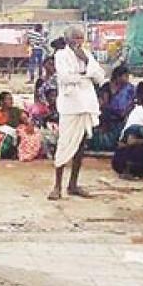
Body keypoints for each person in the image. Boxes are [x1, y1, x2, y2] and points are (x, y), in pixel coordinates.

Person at [52, 25, 105, 200]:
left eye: (81, 38)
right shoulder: (61, 55)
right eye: (76, 38)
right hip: (70, 107)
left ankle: (73, 184)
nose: (79, 42)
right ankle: (57, 186)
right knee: (64, 144)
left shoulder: (87, 55)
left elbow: (100, 76)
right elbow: (65, 78)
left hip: (87, 105)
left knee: (81, 146)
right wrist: (85, 75)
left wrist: (86, 65)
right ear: (68, 39)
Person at [113, 92, 143, 179]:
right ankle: (127, 171)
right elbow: (131, 142)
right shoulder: (138, 114)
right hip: (123, 156)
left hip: (132, 150)